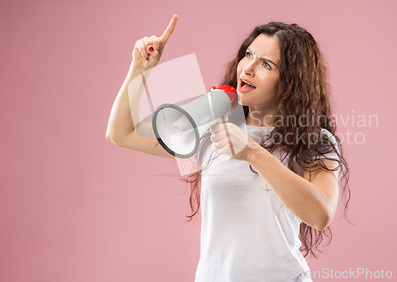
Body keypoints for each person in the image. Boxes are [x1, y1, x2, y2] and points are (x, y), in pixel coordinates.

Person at [106, 15, 351, 282]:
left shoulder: (313, 139)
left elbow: (320, 214)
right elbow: (121, 133)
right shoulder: (213, 125)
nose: (247, 68)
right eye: (248, 55)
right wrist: (140, 69)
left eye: (266, 64)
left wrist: (252, 153)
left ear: (290, 82)